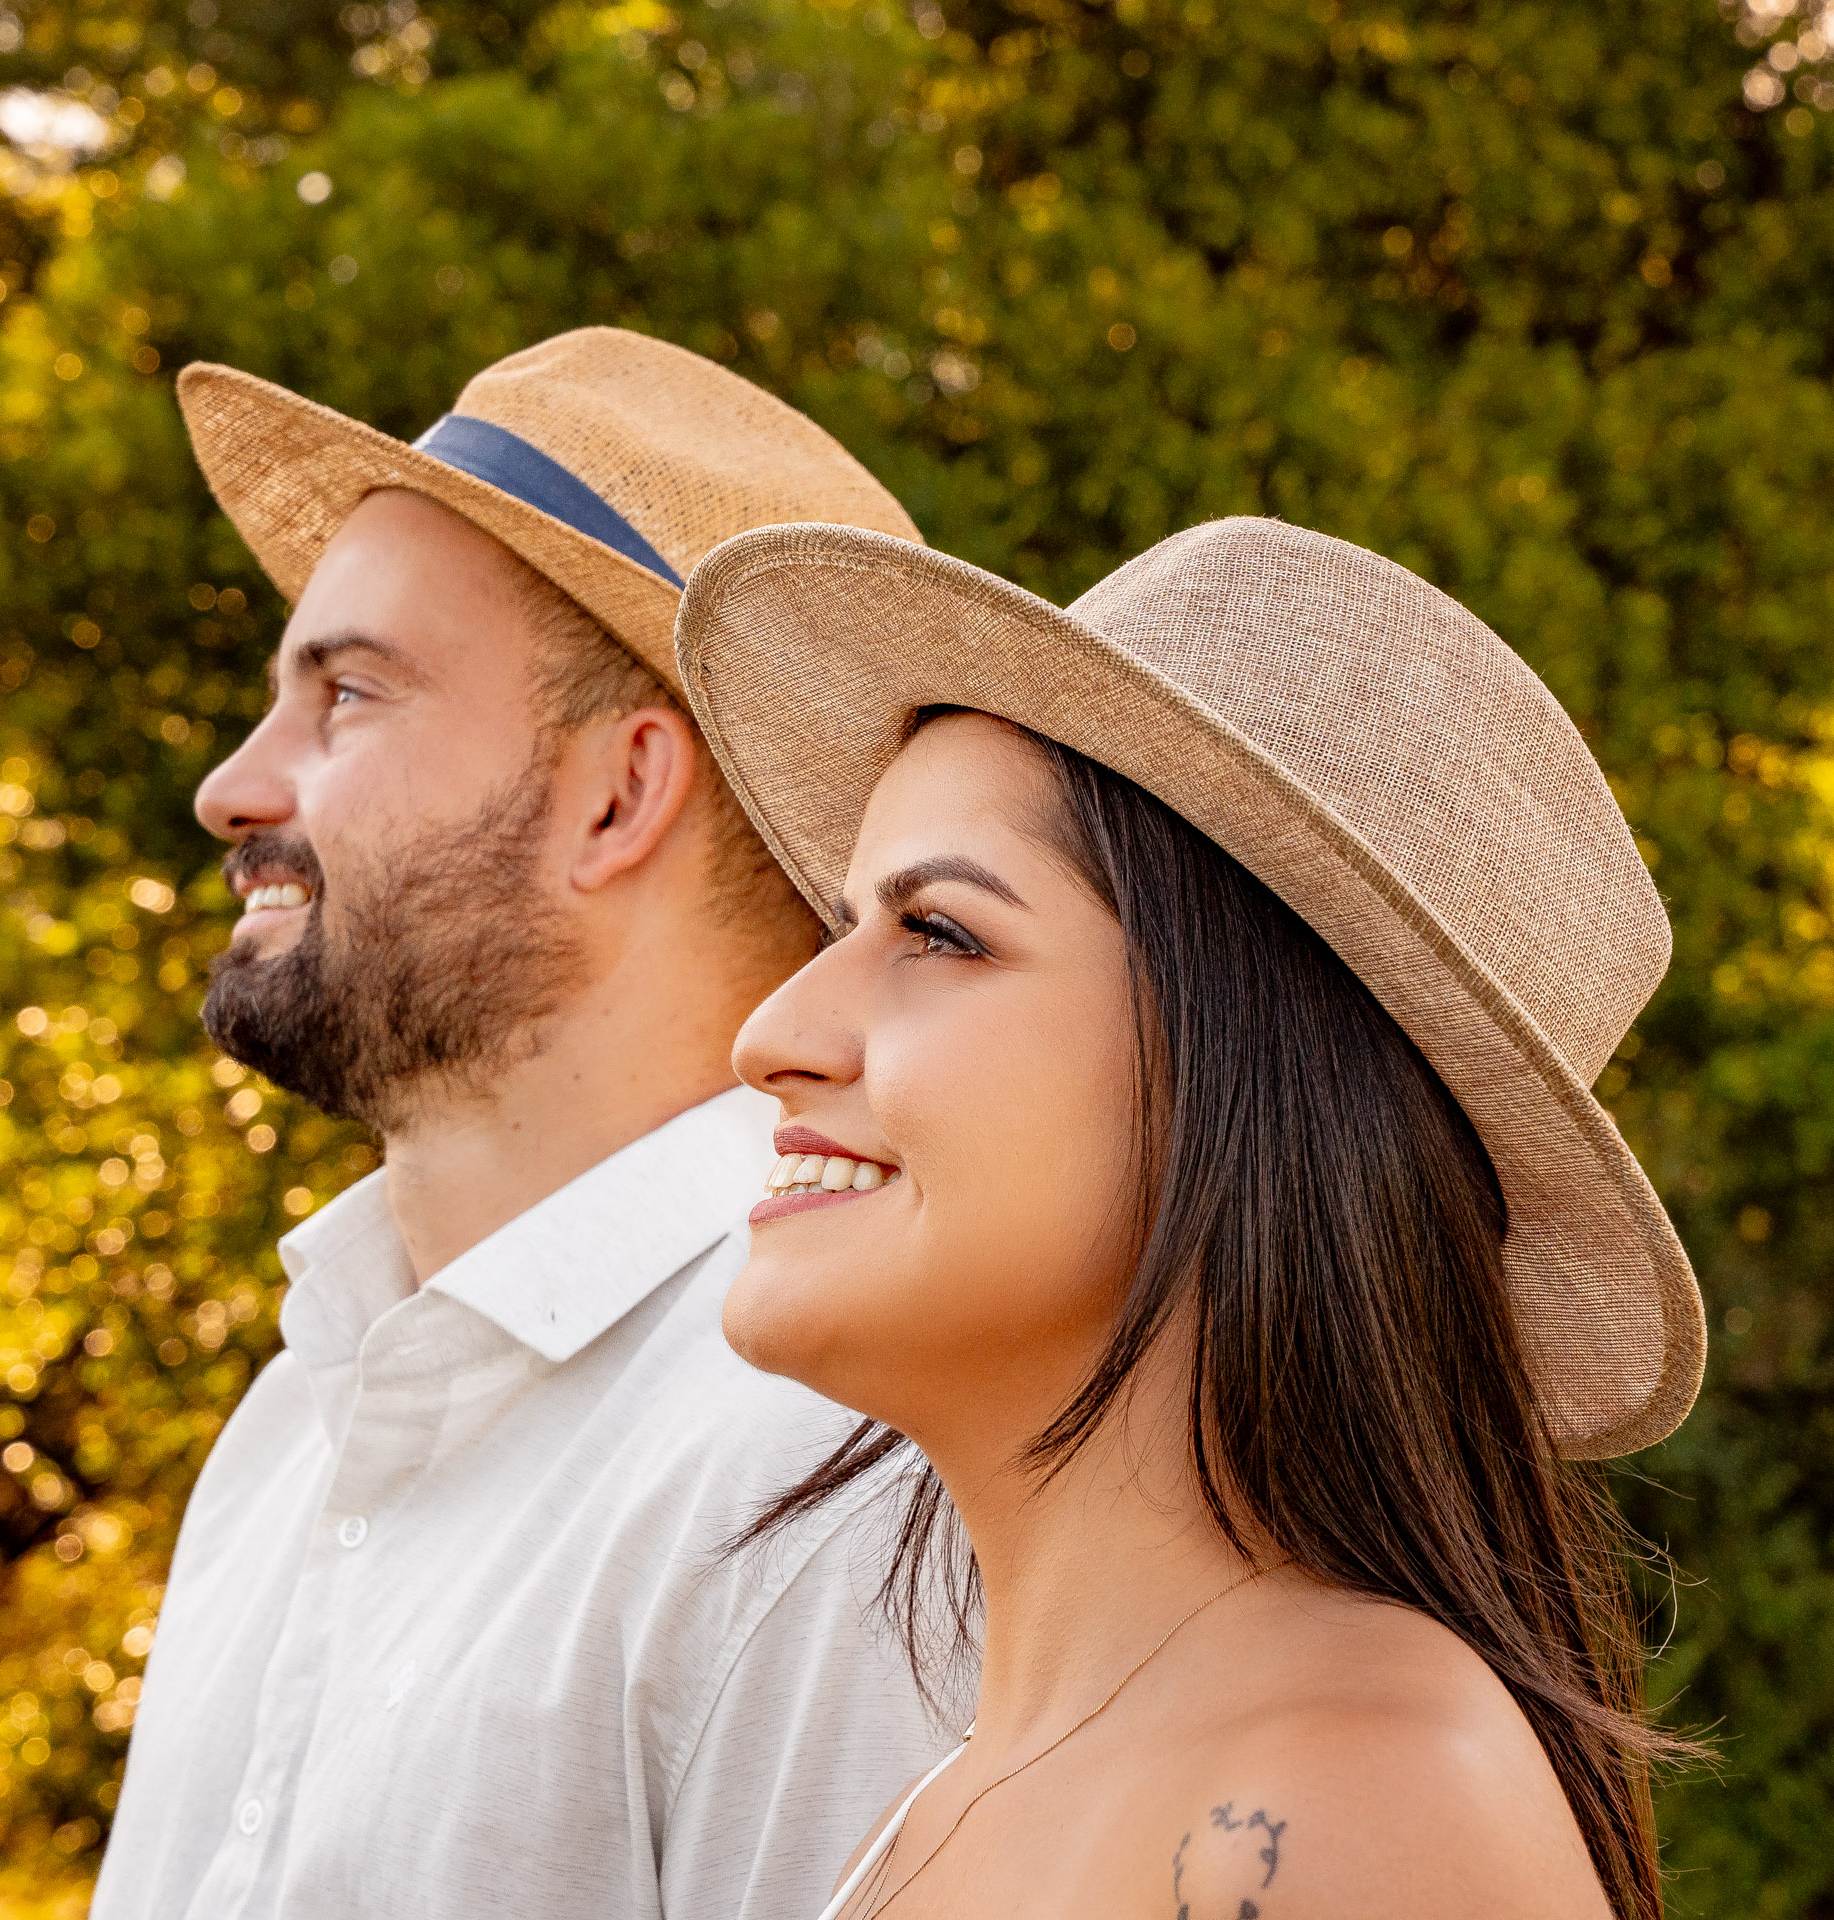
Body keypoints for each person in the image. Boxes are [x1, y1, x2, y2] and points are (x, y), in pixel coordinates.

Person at [668, 514, 1710, 1920]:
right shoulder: (963, 1798)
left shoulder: (1350, 1797)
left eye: (940, 934)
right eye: (839, 928)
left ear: (1243, 1078)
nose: (772, 1033)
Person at [88, 330, 953, 1920]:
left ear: (617, 798)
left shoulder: (830, 1478)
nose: (232, 786)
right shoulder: (297, 1419)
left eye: (345, 695)